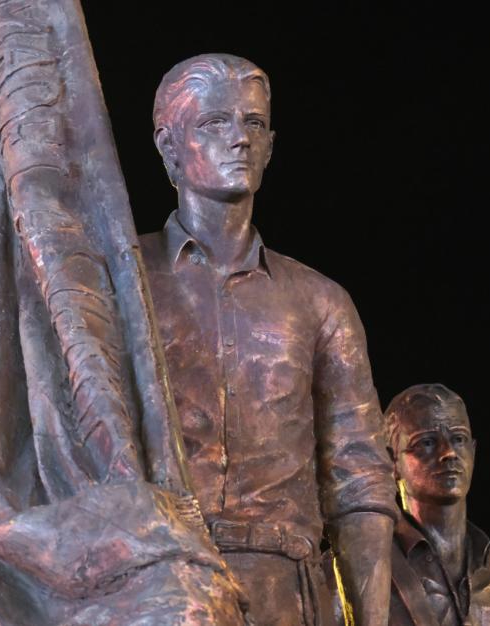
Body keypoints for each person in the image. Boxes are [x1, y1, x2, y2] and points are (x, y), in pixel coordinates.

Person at [139, 53, 397, 625]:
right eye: (215, 122)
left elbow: (360, 478)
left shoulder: (320, 301)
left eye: (254, 123)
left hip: (286, 596)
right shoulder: (123, 285)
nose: (240, 139)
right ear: (168, 144)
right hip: (156, 590)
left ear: (272, 145)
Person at [382, 384, 490, 626]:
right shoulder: (361, 571)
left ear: (473, 451)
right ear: (391, 460)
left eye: (458, 439)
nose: (448, 453)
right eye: (426, 442)